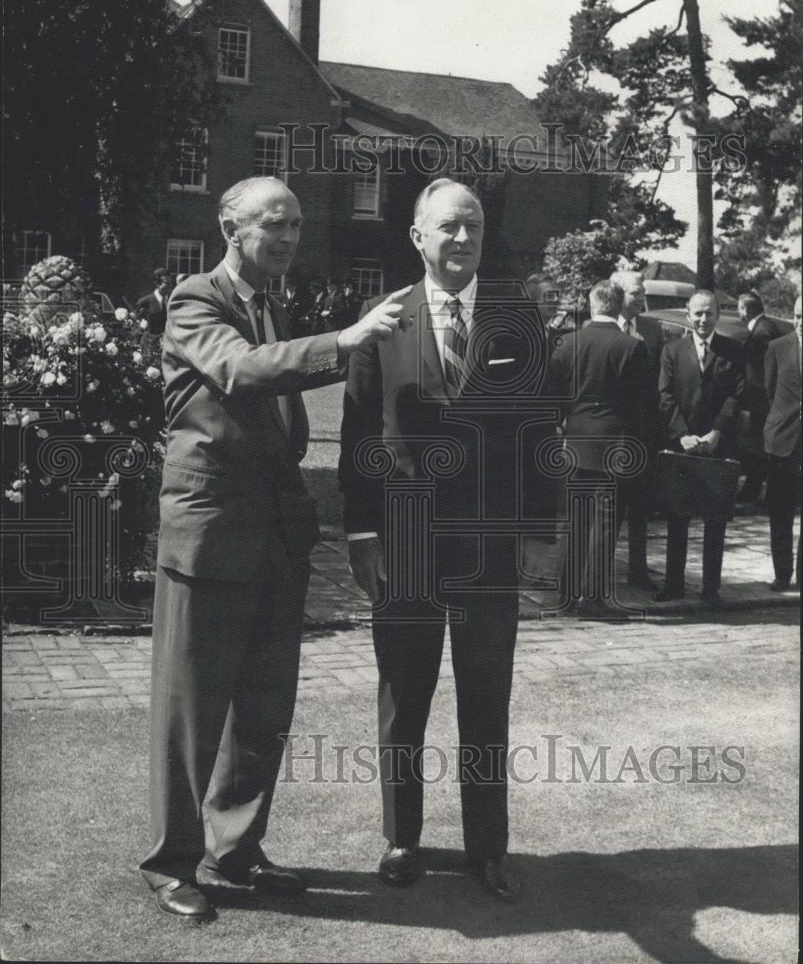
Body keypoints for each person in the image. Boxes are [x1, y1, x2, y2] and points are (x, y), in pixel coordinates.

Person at [139, 176, 406, 922]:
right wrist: (345, 341)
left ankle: (235, 848)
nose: (286, 236)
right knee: (192, 711)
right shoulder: (197, 298)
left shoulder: (270, 302)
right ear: (231, 227)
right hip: (212, 533)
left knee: (263, 707)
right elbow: (239, 370)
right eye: (271, 224)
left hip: (275, 538)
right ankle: (169, 862)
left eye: (293, 224)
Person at [339, 179, 545, 903]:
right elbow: (359, 434)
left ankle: (488, 848)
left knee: (486, 700)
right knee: (405, 696)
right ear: (417, 237)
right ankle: (402, 838)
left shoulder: (518, 322)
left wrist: (535, 533)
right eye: (448, 228)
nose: (462, 240)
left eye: (474, 227)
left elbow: (537, 436)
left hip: (487, 549)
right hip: (405, 544)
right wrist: (362, 531)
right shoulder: (381, 322)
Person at [546, 279, 648, 618]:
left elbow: (553, 396)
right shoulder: (631, 347)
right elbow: (640, 406)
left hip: (575, 441)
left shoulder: (567, 343)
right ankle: (592, 599)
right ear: (618, 307)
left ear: (592, 305)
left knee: (575, 520)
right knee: (605, 522)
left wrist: (565, 423)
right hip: (614, 445)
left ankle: (564, 595)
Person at [655, 290, 745, 606]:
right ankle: (674, 584)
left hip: (717, 446)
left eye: (709, 313)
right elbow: (665, 396)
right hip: (682, 446)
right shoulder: (672, 351)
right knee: (677, 517)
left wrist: (717, 432)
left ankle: (710, 589)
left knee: (715, 520)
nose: (703, 319)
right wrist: (681, 434)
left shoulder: (732, 351)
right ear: (687, 315)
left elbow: (736, 395)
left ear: (718, 314)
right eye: (698, 313)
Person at [611, 269, 664, 590]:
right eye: (636, 293)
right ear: (618, 295)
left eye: (643, 292)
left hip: (643, 433)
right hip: (612, 433)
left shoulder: (652, 329)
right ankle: (600, 572)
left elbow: (659, 381)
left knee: (641, 508)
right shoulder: (600, 328)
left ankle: (638, 571)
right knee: (610, 509)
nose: (642, 298)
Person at [763, 296, 801, 591]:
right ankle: (782, 574)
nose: (802, 323)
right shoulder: (777, 347)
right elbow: (768, 390)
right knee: (780, 512)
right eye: (798, 316)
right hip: (782, 442)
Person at [736, 291, 784, 502]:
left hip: (762, 401)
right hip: (763, 400)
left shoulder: (762, 333)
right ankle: (755, 488)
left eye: (739, 308)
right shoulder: (765, 327)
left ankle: (754, 489)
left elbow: (763, 371)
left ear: (745, 310)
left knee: (759, 445)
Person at [135, 268, 174, 336]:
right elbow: (137, 328)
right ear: (157, 284)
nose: (170, 286)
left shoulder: (172, 302)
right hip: (149, 344)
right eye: (167, 283)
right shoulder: (144, 302)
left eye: (171, 283)